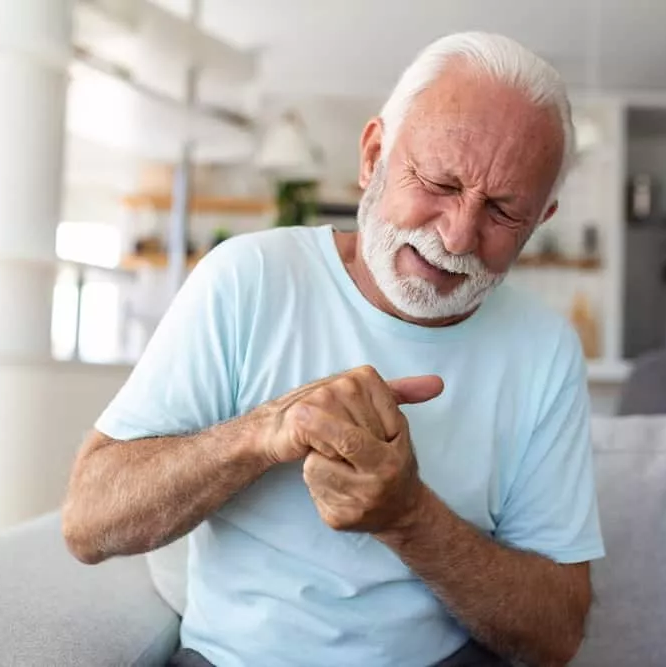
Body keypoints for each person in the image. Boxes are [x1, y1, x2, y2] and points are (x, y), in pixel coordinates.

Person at [62, 31, 604, 667]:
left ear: (541, 221)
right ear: (374, 155)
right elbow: (89, 521)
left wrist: (408, 517)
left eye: (504, 212)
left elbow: (557, 633)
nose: (459, 236)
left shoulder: (545, 348)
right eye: (439, 182)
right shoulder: (248, 277)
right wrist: (269, 431)